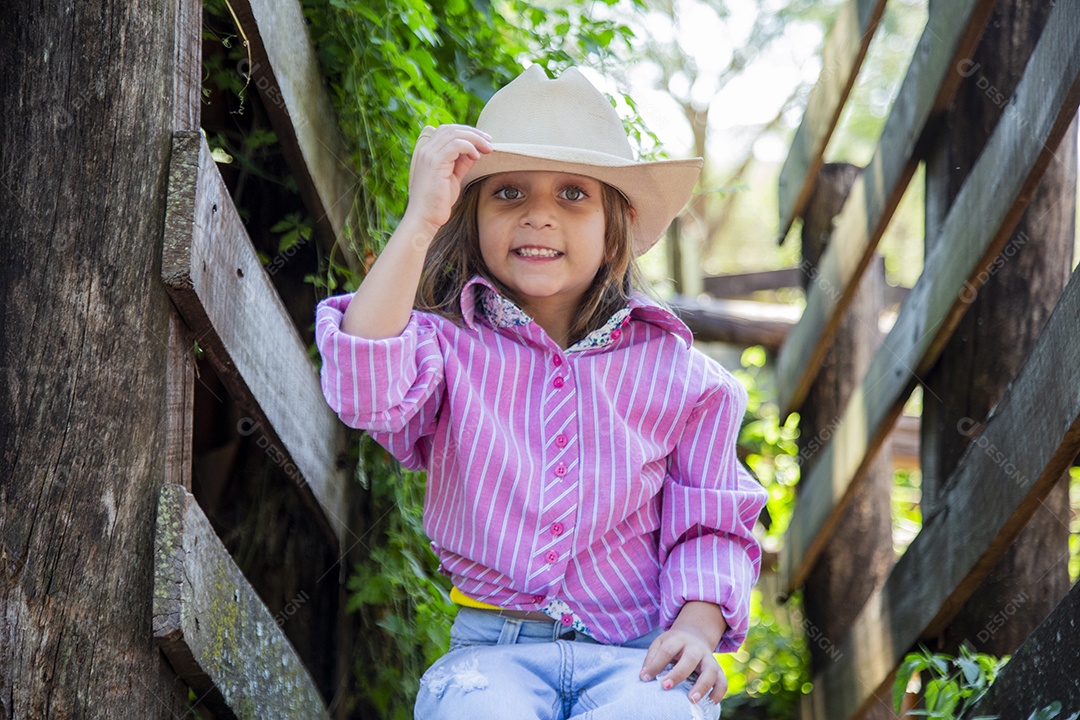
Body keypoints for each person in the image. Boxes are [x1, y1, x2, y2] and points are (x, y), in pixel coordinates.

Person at [315, 65, 768, 719]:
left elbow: (711, 522)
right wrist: (421, 220)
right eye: (507, 193)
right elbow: (364, 386)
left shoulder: (681, 377)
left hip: (636, 655)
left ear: (616, 229)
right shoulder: (445, 351)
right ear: (469, 220)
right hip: (490, 655)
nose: (538, 215)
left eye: (574, 195)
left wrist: (696, 630)